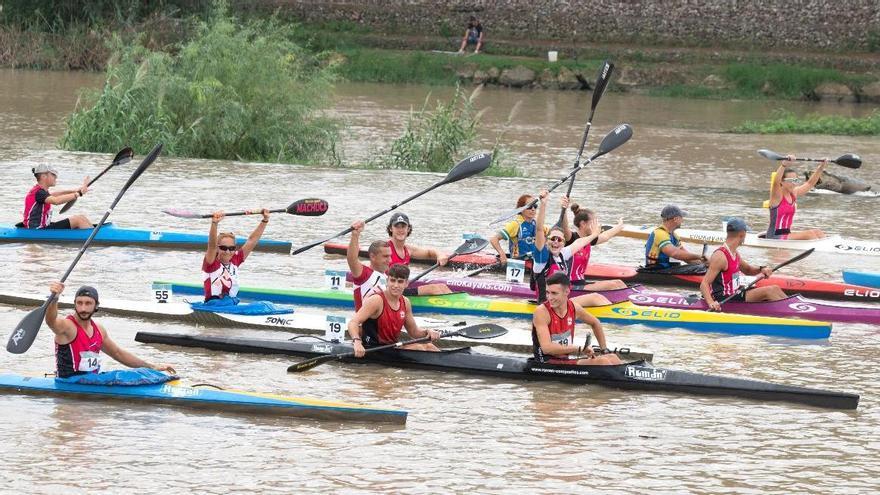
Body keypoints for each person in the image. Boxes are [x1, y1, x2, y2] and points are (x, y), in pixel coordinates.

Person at [45, 282, 175, 378]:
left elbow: (118, 353)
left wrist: (152, 366)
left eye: (88, 303)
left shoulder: (99, 330)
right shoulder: (68, 326)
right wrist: (54, 299)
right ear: (75, 304)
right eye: (79, 303)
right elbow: (51, 321)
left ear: (96, 306)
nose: (83, 308)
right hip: (70, 383)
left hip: (93, 381)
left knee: (139, 374)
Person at [531, 190, 612, 306]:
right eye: (553, 238)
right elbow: (539, 230)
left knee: (596, 297)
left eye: (559, 240)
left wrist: (594, 234)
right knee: (595, 298)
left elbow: (579, 242)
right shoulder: (542, 257)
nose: (555, 242)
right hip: (548, 305)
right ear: (546, 241)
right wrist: (543, 204)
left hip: (562, 301)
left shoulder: (563, 254)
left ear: (564, 243)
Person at [348, 264, 441, 358]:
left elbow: (414, 332)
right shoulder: (376, 300)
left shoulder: (405, 302)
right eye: (392, 280)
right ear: (387, 281)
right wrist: (357, 341)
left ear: (406, 283)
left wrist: (428, 332)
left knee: (429, 346)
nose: (395, 285)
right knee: (418, 348)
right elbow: (353, 322)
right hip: (373, 348)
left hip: (391, 347)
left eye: (400, 282)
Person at [532, 272, 621, 365]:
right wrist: (579, 348)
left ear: (567, 292)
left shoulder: (574, 307)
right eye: (547, 292)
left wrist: (604, 350)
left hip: (564, 360)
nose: (549, 298)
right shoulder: (542, 312)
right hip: (546, 362)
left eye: (554, 293)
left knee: (612, 357)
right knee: (603, 362)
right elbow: (547, 349)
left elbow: (595, 323)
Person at [700, 218, 786, 311]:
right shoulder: (720, 256)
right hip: (724, 298)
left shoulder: (734, 253)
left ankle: (797, 308)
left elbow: (748, 270)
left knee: (775, 288)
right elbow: (704, 284)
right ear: (742, 234)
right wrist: (711, 303)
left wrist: (762, 269)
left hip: (735, 293)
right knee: (769, 291)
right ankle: (793, 315)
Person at [202, 209, 271, 302]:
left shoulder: (235, 260)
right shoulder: (211, 264)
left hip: (231, 305)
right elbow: (211, 246)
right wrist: (214, 223)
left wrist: (265, 220)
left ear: (235, 248)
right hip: (213, 305)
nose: (227, 251)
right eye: (223, 247)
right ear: (218, 248)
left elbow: (252, 240)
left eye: (231, 248)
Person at [385, 213, 452, 295]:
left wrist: (440, 255)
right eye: (397, 226)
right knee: (434, 289)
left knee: (443, 287)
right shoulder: (385, 249)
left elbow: (429, 253)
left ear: (408, 229)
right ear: (390, 229)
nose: (400, 230)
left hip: (402, 287)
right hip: (390, 291)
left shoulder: (408, 249)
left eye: (403, 226)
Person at [565, 202, 627, 290]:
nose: (597, 226)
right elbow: (564, 227)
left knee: (618, 282)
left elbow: (606, 236)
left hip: (581, 282)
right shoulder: (570, 238)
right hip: (569, 286)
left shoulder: (589, 239)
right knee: (612, 286)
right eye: (593, 222)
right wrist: (563, 209)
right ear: (583, 224)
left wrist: (619, 226)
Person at [766, 155, 826, 240]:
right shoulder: (777, 196)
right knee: (810, 234)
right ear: (782, 182)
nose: (794, 183)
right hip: (774, 236)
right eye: (790, 180)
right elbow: (776, 182)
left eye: (795, 180)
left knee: (818, 232)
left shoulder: (794, 193)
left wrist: (821, 167)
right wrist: (783, 165)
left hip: (786, 233)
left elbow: (810, 183)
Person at [489, 193, 556, 266]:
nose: (533, 209)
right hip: (518, 262)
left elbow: (553, 234)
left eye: (535, 206)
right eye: (530, 206)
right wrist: (502, 254)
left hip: (534, 261)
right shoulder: (515, 225)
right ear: (521, 209)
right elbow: (494, 239)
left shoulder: (537, 224)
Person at [22, 164, 92, 229]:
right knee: (78, 220)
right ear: (43, 176)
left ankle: (94, 233)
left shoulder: (41, 192)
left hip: (43, 228)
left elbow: (55, 194)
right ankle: (97, 239)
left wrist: (75, 191)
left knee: (82, 217)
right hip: (37, 230)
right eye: (52, 174)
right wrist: (79, 193)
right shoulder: (39, 193)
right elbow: (56, 201)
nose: (56, 177)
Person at [643, 205, 707, 270]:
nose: (682, 220)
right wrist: (699, 256)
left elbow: (686, 257)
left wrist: (706, 263)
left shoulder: (674, 236)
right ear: (675, 219)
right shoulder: (660, 234)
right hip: (656, 271)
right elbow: (674, 253)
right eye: (681, 217)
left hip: (669, 270)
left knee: (702, 267)